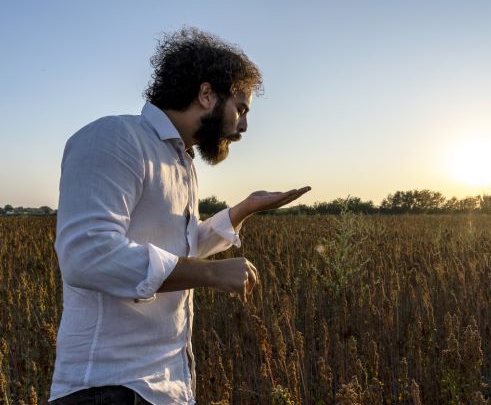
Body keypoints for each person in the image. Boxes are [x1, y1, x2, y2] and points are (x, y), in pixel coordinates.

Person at [49, 27, 310, 405]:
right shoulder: (114, 137)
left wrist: (243, 210)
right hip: (109, 388)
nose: (244, 125)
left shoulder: (180, 160)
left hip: (163, 385)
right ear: (206, 95)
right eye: (241, 107)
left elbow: (174, 250)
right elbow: (87, 256)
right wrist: (211, 273)